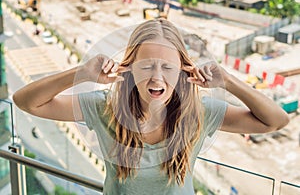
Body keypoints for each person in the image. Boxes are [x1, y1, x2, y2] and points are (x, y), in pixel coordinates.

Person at [13, 19, 289, 195]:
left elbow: (276, 121)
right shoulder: (103, 108)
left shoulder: (200, 111)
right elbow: (26, 102)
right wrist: (81, 73)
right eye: (146, 66)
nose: (157, 77)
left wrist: (228, 81)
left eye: (167, 67)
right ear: (130, 68)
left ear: (183, 70)